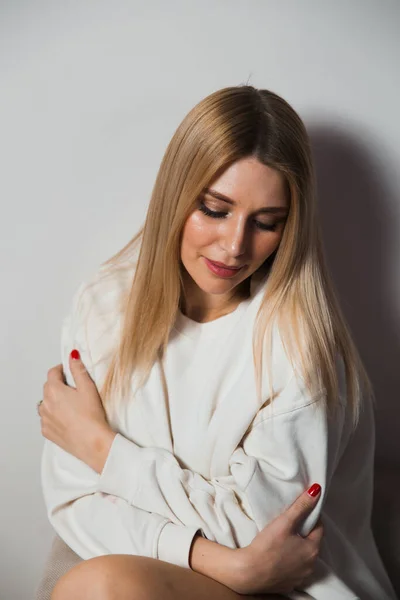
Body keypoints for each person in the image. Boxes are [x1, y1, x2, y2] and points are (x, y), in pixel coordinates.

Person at [37, 85, 396, 600]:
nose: (235, 246)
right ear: (175, 197)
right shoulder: (104, 305)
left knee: (100, 587)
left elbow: (262, 538)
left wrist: (101, 449)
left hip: (295, 589)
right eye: (214, 209)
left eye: (267, 223)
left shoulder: (301, 350)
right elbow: (73, 502)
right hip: (198, 577)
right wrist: (226, 567)